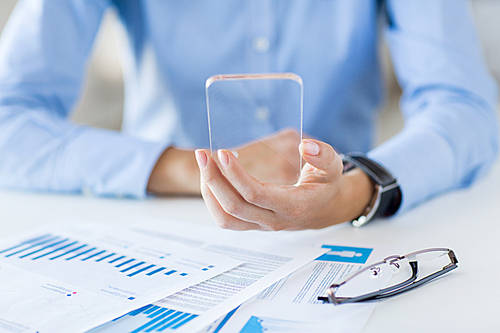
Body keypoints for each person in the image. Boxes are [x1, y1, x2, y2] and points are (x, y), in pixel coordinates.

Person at [0, 1, 497, 231]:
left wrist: (354, 191)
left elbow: (467, 108)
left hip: (345, 226)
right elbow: (8, 119)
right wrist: (197, 169)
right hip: (156, 225)